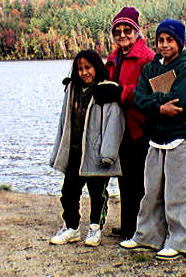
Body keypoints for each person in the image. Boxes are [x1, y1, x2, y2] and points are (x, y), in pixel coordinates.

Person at [119, 19, 186, 260]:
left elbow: (179, 100)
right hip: (156, 136)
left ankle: (181, 241)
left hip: (179, 137)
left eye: (170, 40)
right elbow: (140, 96)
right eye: (161, 40)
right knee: (151, 191)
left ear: (179, 42)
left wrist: (156, 98)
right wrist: (159, 106)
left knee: (178, 192)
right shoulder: (153, 66)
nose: (164, 45)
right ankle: (148, 236)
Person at [49, 49, 125, 247]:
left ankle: (95, 229)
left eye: (88, 67)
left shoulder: (106, 91)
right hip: (75, 152)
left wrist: (108, 153)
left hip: (96, 153)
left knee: (97, 194)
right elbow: (63, 122)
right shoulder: (72, 89)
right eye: (80, 69)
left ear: (96, 67)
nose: (84, 72)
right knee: (69, 192)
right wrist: (59, 149)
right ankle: (71, 227)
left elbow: (114, 122)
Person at [100, 6, 155, 239]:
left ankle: (141, 231)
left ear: (136, 31)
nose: (122, 35)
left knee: (140, 181)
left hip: (141, 126)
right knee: (124, 179)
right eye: (118, 31)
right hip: (119, 127)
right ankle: (128, 226)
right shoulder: (113, 57)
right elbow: (105, 83)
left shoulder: (148, 57)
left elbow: (152, 90)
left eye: (127, 30)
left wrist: (121, 92)